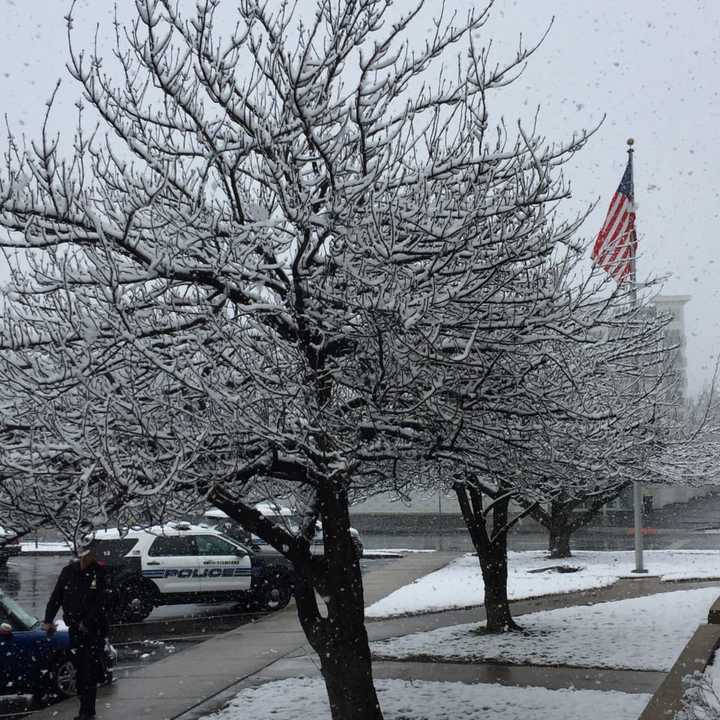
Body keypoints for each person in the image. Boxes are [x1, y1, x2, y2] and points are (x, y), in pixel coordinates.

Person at [42, 533, 109, 720]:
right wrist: (48, 619)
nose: (92, 556)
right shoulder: (69, 572)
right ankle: (84, 706)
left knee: (90, 670)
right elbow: (56, 598)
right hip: (75, 629)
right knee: (79, 669)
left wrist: (87, 622)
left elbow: (101, 602)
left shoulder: (99, 573)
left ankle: (87, 711)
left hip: (93, 630)